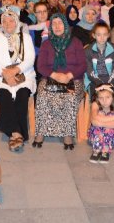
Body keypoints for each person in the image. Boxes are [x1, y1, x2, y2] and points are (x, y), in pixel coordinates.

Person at [34, 13, 87, 150]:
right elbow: (40, 66)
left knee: (68, 96)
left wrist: (69, 75)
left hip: (73, 79)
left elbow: (82, 65)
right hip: (50, 78)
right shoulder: (46, 44)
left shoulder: (76, 42)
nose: (57, 26)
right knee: (43, 95)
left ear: (65, 25)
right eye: (54, 23)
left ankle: (67, 134)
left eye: (60, 23)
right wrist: (55, 75)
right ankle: (41, 132)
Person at [0, 9, 36, 152]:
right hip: (1, 76)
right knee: (5, 95)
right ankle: (17, 133)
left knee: (22, 94)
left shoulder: (25, 37)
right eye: (5, 21)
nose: (8, 23)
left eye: (11, 20)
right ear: (1, 24)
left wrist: (15, 71)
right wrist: (6, 75)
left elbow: (30, 59)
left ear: (17, 22)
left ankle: (14, 134)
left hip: (24, 75)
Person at [84, 22, 114, 104]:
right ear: (94, 35)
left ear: (109, 35)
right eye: (99, 35)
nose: (102, 38)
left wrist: (109, 84)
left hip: (113, 81)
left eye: (104, 34)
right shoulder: (87, 51)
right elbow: (89, 71)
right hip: (94, 81)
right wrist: (100, 85)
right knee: (95, 101)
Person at [87, 83, 114, 164]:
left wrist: (101, 122)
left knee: (104, 119)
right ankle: (96, 150)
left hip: (112, 139)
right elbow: (94, 121)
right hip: (95, 137)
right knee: (100, 113)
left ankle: (105, 151)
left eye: (108, 97)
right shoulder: (95, 104)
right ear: (97, 98)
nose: (104, 101)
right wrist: (113, 118)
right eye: (101, 98)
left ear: (113, 97)